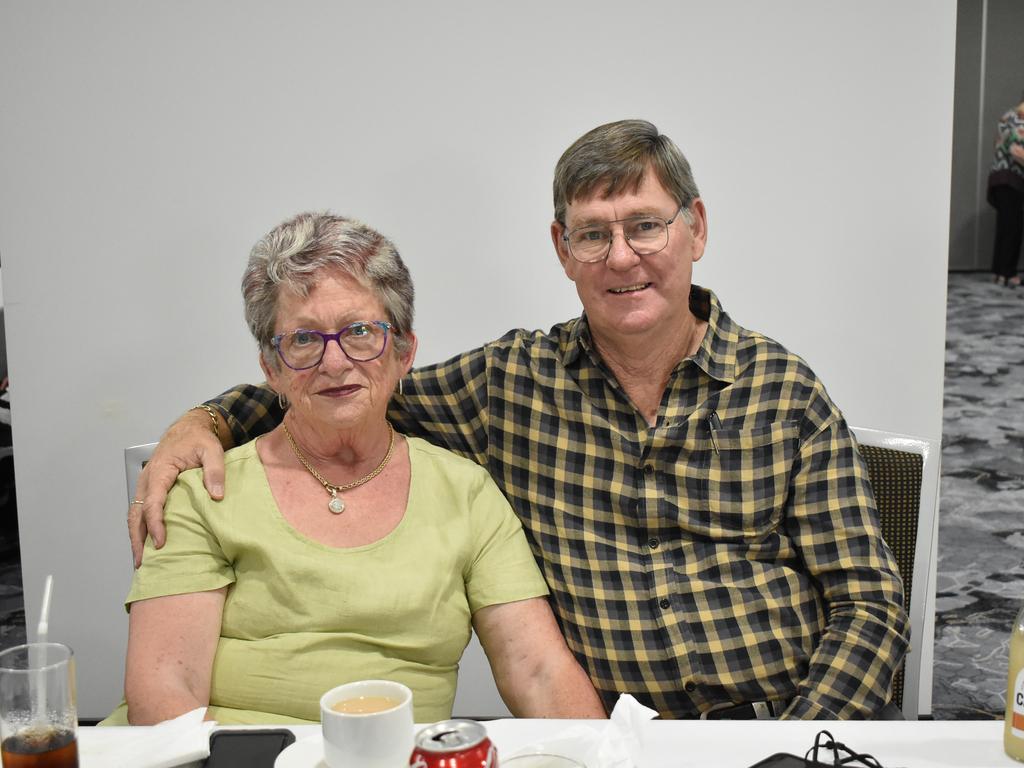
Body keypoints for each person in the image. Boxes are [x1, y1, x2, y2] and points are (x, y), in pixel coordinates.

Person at [130, 120, 909, 720]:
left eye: (645, 224)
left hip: (775, 729)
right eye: (592, 234)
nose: (621, 256)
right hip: (608, 735)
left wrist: (803, 746)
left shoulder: (784, 393)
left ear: (695, 228)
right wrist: (208, 419)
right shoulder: (509, 385)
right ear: (561, 250)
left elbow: (869, 604)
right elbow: (349, 377)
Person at [108, 212, 605, 725]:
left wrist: (604, 758)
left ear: (405, 351)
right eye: (303, 339)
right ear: (270, 369)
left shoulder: (467, 492)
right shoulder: (204, 491)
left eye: (361, 331)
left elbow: (538, 670)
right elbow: (165, 692)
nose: (334, 361)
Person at [988, 95, 1024, 286]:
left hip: (998, 175)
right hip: (1011, 177)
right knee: (1013, 227)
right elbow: (1016, 151)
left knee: (1005, 226)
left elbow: (998, 142)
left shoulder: (1007, 115)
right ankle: (1009, 274)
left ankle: (999, 272)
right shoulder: (1020, 117)